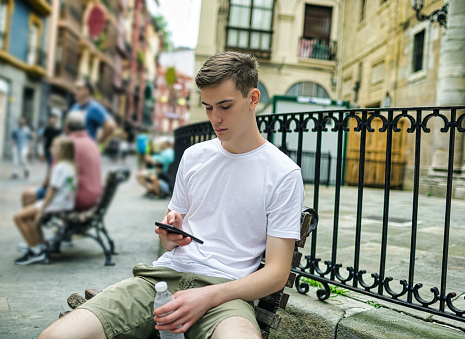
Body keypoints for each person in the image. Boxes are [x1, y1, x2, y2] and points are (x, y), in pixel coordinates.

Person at [39, 51, 304, 339]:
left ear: (252, 99)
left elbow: (277, 273)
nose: (215, 118)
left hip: (226, 294)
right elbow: (169, 243)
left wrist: (208, 296)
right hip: (161, 279)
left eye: (225, 106)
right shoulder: (193, 157)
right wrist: (169, 236)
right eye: (208, 107)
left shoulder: (283, 173)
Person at [13, 135, 77, 265]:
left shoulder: (60, 168)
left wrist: (41, 209)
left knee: (18, 217)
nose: (51, 149)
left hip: (56, 205)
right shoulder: (70, 166)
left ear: (62, 150)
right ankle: (40, 246)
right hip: (65, 204)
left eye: (54, 147)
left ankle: (35, 251)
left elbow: (52, 190)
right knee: (28, 216)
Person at [69, 78, 116, 144]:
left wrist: (98, 141)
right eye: (75, 88)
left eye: (79, 89)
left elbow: (111, 125)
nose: (75, 91)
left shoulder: (94, 107)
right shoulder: (75, 106)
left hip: (86, 150)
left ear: (87, 91)